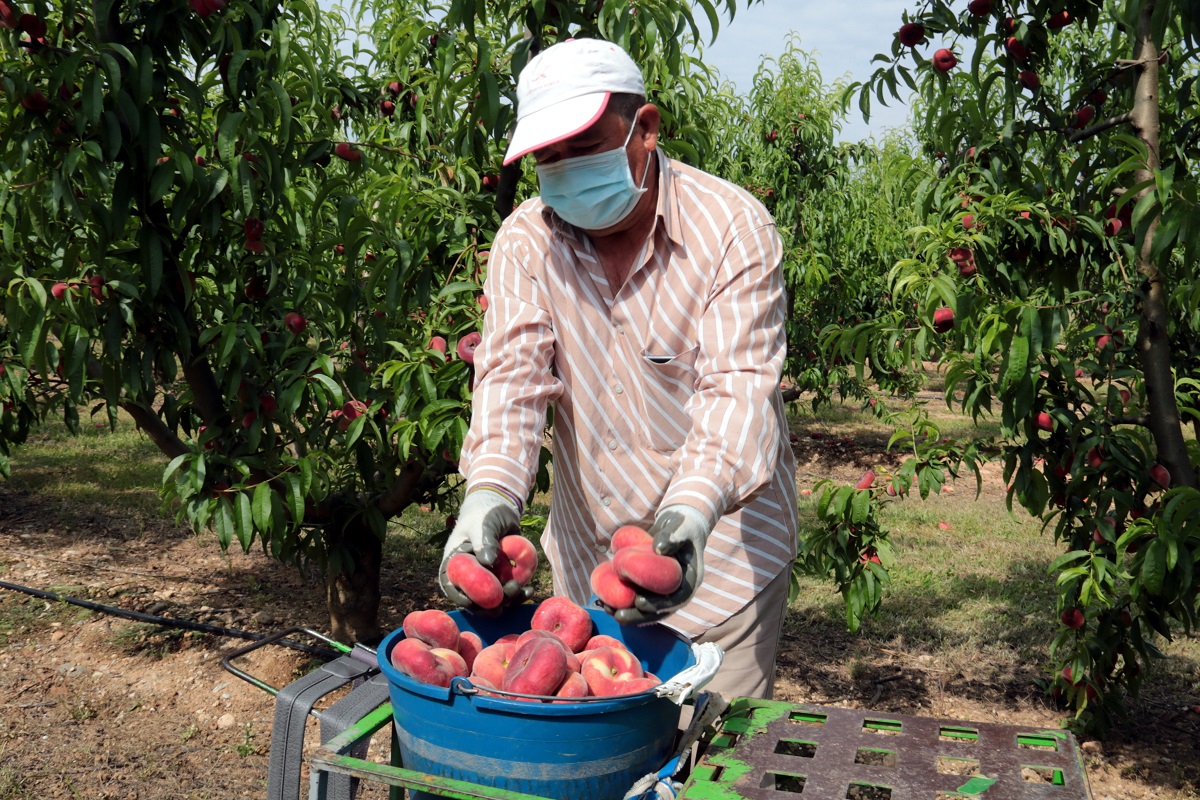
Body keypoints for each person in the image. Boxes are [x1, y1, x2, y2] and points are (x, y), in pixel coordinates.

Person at [439, 37, 797, 700]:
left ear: (646, 129)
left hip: (721, 562)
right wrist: (488, 496)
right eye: (549, 158)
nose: (567, 171)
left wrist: (688, 520)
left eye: (585, 147)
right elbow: (513, 382)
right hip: (589, 566)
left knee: (710, 746)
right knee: (602, 741)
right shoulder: (526, 242)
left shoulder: (731, 229)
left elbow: (737, 392)